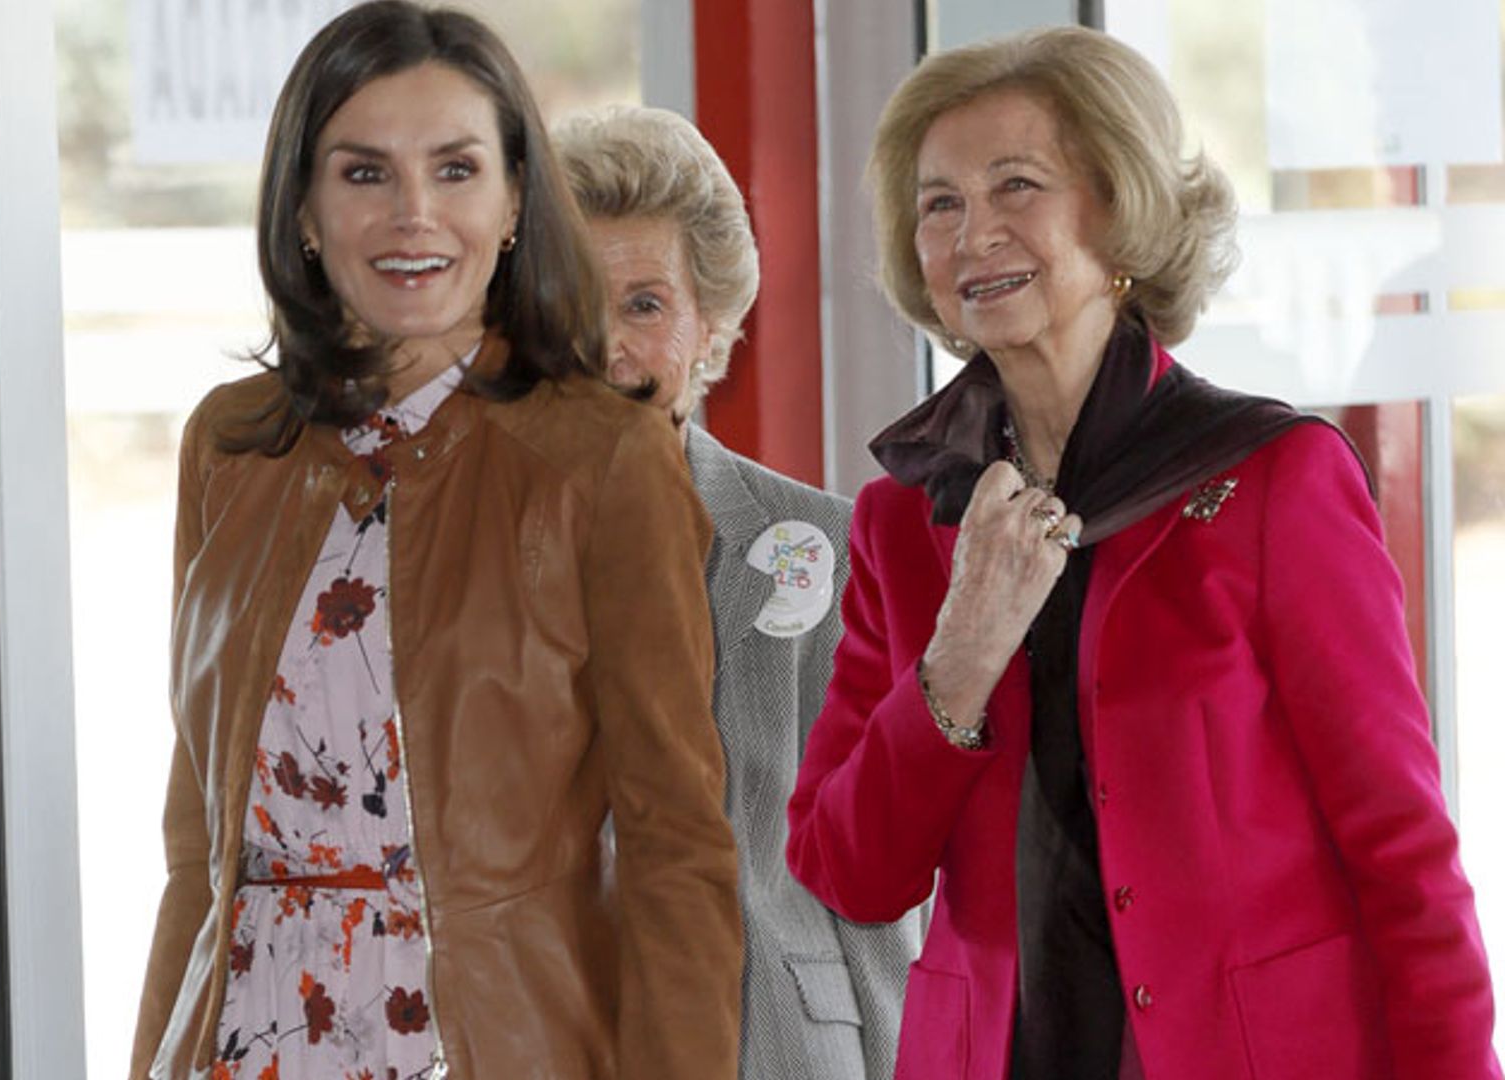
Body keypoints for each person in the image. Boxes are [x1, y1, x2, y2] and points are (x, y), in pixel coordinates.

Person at [786, 25, 1500, 1080]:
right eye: (939, 203)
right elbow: (847, 871)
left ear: (1118, 213)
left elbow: (1402, 851)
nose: (973, 233)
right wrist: (959, 658)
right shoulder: (908, 517)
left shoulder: (1274, 479)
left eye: (1015, 186)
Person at [127, 4, 740, 1079]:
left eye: (455, 171)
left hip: (500, 1043)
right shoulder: (231, 444)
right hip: (245, 1044)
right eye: (365, 174)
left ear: (512, 206)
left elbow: (673, 850)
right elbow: (196, 852)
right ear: (305, 212)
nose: (415, 215)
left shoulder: (608, 460)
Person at [556, 105, 918, 1080]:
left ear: (709, 325)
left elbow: (871, 879)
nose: (609, 348)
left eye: (644, 306)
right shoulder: (474, 558)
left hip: (784, 1042)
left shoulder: (827, 547)